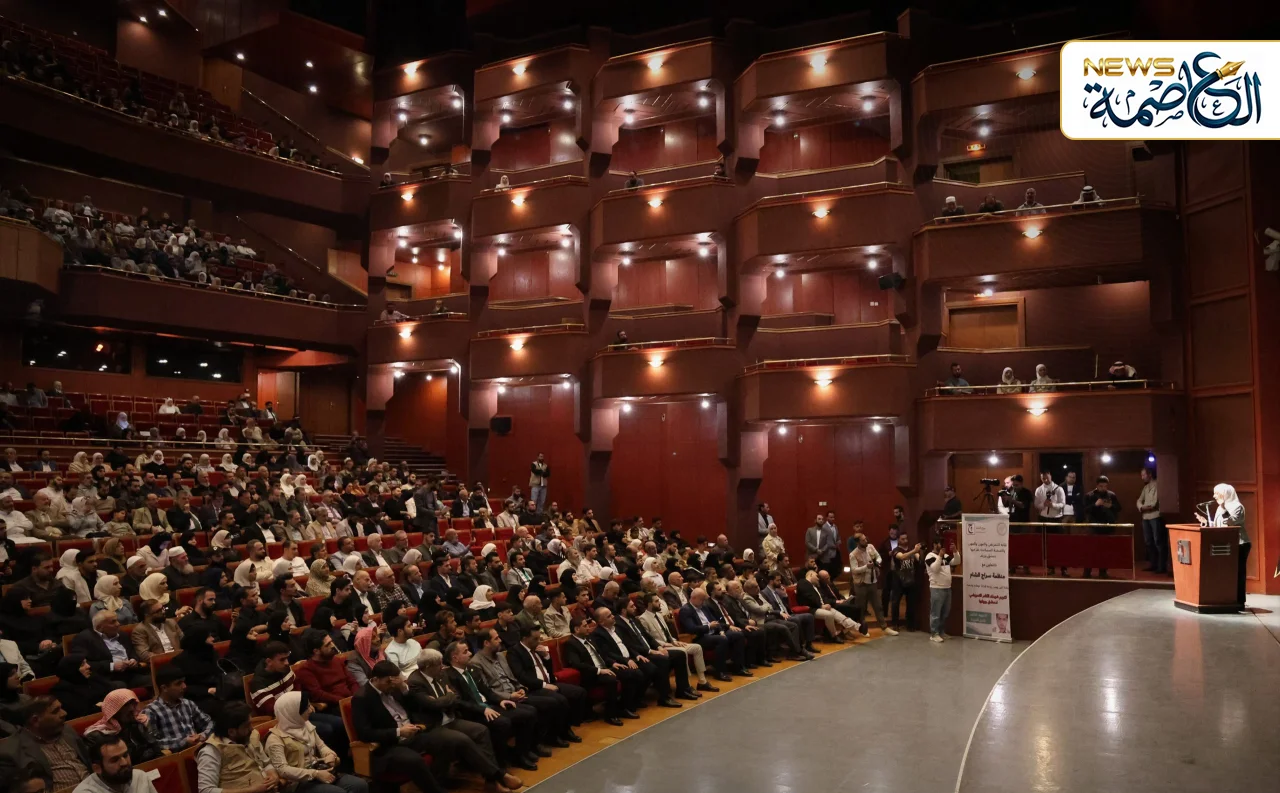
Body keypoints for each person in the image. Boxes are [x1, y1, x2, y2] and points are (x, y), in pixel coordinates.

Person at [406, 649, 525, 791]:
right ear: (427, 667)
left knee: (481, 730)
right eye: (438, 664)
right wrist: (447, 697)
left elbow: (455, 696)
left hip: (450, 719)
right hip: (433, 726)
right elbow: (433, 705)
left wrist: (444, 699)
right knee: (461, 739)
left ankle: (491, 782)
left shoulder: (441, 674)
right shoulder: (415, 682)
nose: (442, 667)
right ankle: (499, 775)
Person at [349, 661, 446, 793]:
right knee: (415, 760)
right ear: (375, 679)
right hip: (387, 746)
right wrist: (398, 732)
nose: (391, 685)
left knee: (443, 742)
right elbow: (365, 734)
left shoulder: (394, 687)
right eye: (388, 682)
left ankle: (438, 784)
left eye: (394, 681)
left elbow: (415, 707)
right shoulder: (362, 698)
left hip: (411, 735)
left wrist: (404, 687)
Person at [264, 691, 367, 793]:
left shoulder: (305, 724)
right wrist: (315, 774)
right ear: (294, 712)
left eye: (310, 705)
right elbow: (283, 769)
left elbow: (321, 746)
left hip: (318, 770)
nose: (311, 710)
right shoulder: (275, 739)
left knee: (360, 785)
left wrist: (329, 755)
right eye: (307, 708)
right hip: (297, 782)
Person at [0, 696, 92, 790]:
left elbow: (88, 760)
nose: (64, 713)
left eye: (61, 708)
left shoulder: (66, 730)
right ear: (35, 720)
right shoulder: (11, 752)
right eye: (55, 711)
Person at [195, 702, 278, 793]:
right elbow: (206, 790)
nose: (252, 729)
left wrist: (273, 775)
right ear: (231, 732)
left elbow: (266, 763)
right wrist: (252, 790)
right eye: (247, 726)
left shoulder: (249, 736)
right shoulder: (211, 751)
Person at [1197, 483, 1248, 608]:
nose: (1214, 496)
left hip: (1239, 544)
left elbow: (1230, 522)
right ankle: (1225, 598)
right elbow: (1218, 526)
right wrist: (1206, 522)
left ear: (1225, 494)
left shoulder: (1237, 507)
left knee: (1238, 572)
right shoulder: (1220, 508)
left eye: (1217, 493)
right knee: (1225, 572)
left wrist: (1224, 508)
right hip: (1225, 544)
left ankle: (1239, 601)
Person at [81, 689, 163, 765]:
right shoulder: (96, 736)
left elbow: (156, 749)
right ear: (114, 710)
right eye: (126, 705)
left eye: (132, 703)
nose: (131, 708)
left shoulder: (139, 722)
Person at [74, 734, 158, 793]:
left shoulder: (140, 777)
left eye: (125, 755)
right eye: (114, 760)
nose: (124, 763)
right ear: (97, 768)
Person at [1082, 475, 1121, 578]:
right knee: (1091, 550)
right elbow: (1085, 510)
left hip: (1107, 526)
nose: (1103, 488)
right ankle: (1087, 571)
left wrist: (1111, 506)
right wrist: (1095, 505)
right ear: (1097, 485)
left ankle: (1103, 571)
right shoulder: (1089, 495)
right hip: (1093, 527)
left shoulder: (1111, 495)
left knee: (1105, 550)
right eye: (1101, 486)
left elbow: (1119, 508)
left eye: (1105, 486)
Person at [1137, 467, 1167, 576]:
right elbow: (1139, 500)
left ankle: (1161, 566)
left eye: (1143, 475)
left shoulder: (1158, 485)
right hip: (1145, 517)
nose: (1142, 477)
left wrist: (1143, 507)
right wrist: (1142, 507)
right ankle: (1153, 564)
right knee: (1148, 542)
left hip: (1155, 516)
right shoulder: (1145, 488)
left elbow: (1154, 504)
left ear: (1149, 474)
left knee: (1158, 541)